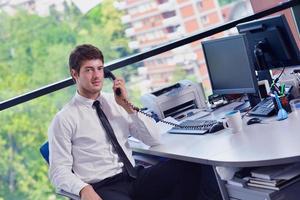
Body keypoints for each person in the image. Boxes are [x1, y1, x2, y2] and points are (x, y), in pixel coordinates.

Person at [48, 44, 221, 200]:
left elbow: (153, 139)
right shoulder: (64, 119)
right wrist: (83, 189)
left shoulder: (116, 102)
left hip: (134, 177)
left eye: (100, 68)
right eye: (89, 70)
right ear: (74, 73)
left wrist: (128, 107)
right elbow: (58, 171)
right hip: (104, 188)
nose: (96, 76)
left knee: (191, 168)